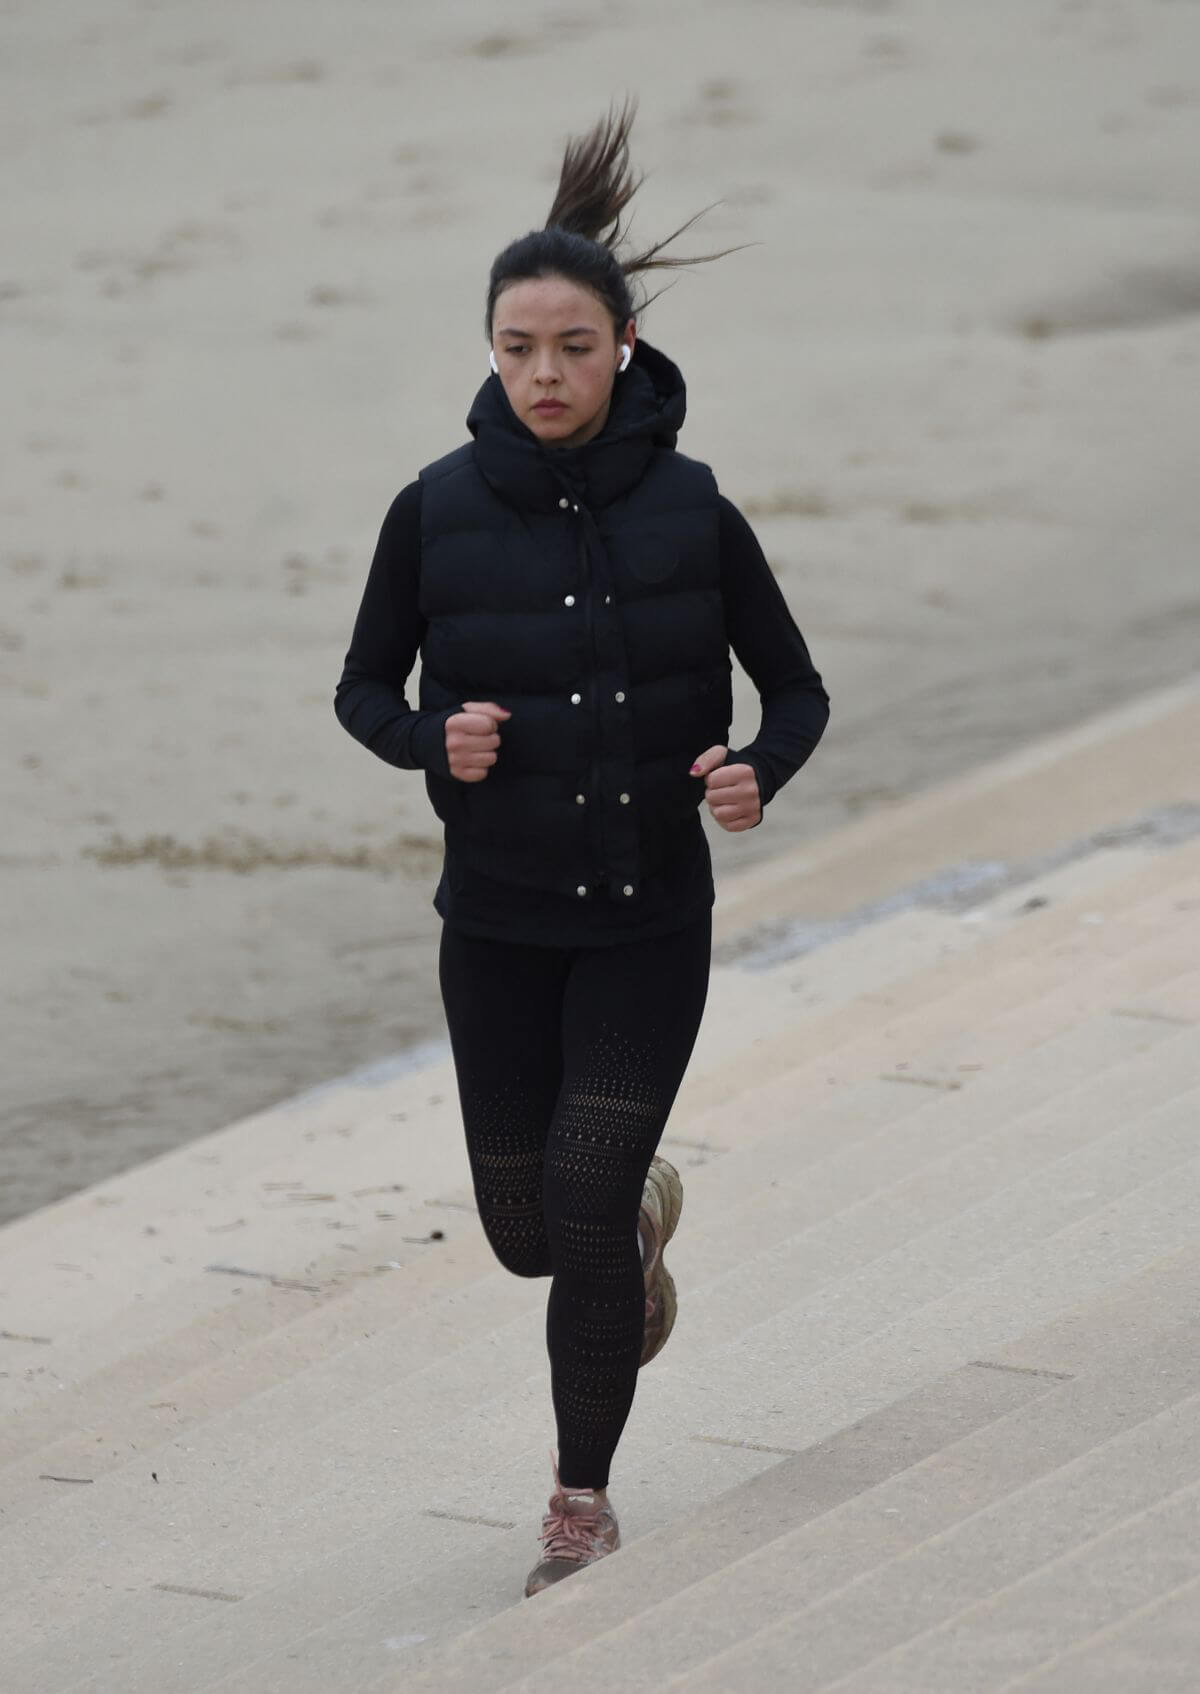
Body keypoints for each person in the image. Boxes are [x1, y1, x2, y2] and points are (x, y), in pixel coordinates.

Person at [333, 98, 830, 1599]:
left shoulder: (694, 512)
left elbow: (794, 686)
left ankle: (578, 1500)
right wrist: (432, 744)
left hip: (644, 920)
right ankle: (629, 1218)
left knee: (590, 1181)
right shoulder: (431, 513)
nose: (543, 374)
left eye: (571, 347)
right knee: (527, 1230)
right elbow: (364, 687)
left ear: (623, 347)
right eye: (515, 348)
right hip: (493, 921)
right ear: (491, 352)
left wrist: (757, 769)